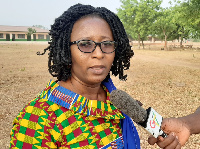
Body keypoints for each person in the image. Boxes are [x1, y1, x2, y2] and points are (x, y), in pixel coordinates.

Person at [10, 4, 141, 149]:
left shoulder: (114, 98)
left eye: (107, 44)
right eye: (85, 44)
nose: (99, 54)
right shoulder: (38, 119)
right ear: (67, 50)